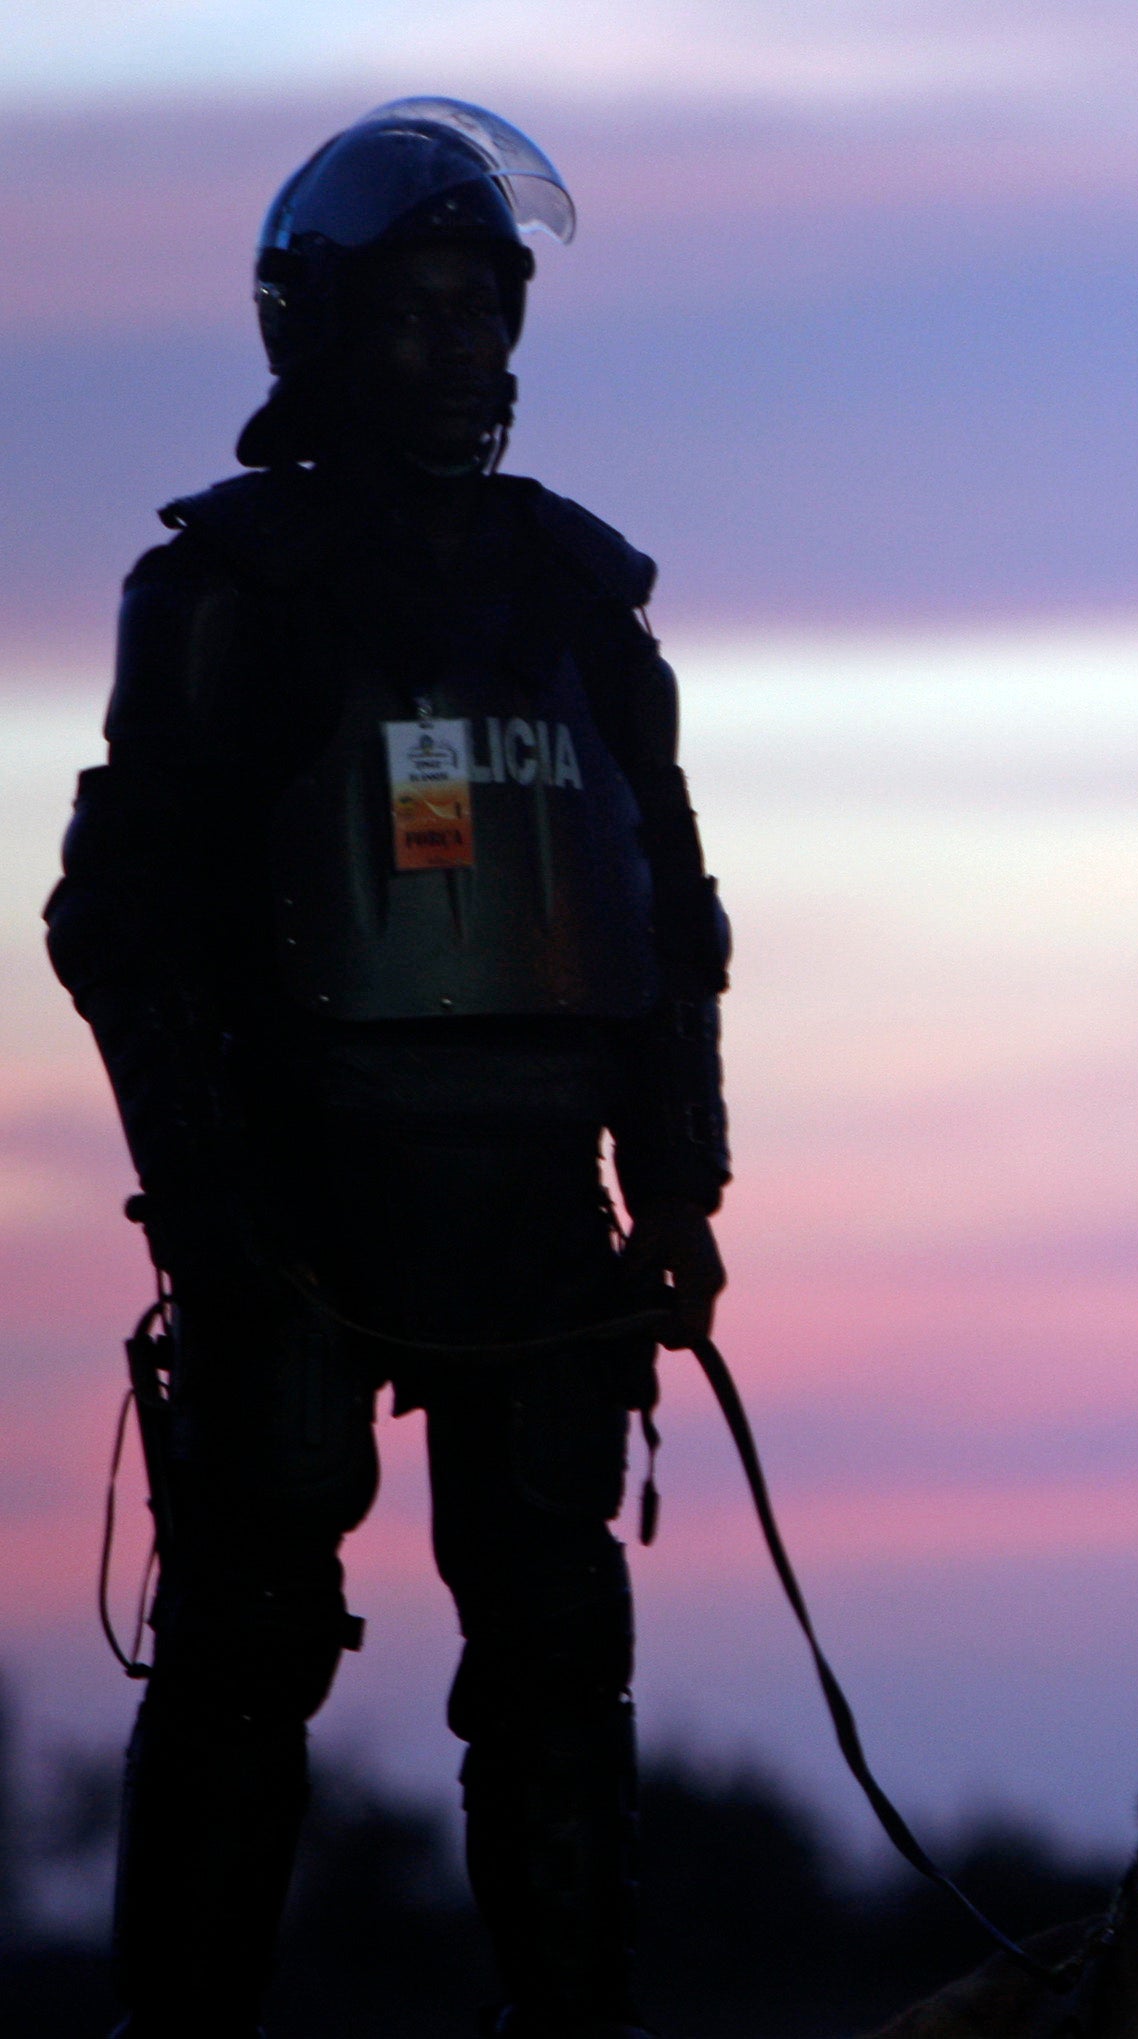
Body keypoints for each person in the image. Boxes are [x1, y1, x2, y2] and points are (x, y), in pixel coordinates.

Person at [44, 100, 731, 2039]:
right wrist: (221, 1217)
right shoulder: (228, 591)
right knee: (245, 1673)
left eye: (487, 309)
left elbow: (670, 914)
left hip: (539, 1228)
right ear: (324, 331)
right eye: (424, 309)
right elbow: (126, 924)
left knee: (557, 1689)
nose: (468, 350)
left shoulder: (586, 602)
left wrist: (675, 1190)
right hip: (303, 1221)